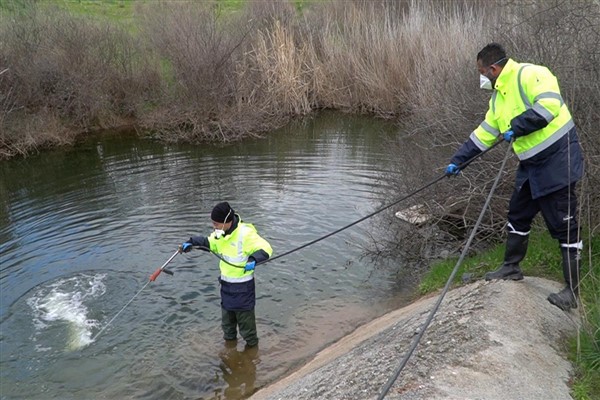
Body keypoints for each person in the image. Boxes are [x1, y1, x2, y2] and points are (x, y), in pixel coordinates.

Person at [445, 43, 583, 311]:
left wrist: (517, 126)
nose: (482, 77)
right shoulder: (498, 98)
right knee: (518, 214)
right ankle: (511, 267)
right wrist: (459, 161)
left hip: (558, 161)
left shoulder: (531, 74)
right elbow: (485, 133)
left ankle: (572, 293)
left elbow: (549, 107)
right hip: (531, 165)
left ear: (494, 68)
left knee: (564, 226)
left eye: (482, 71)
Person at [181, 202, 273, 347]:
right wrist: (192, 242)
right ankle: (230, 353)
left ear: (226, 221)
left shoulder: (245, 234)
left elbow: (266, 248)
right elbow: (210, 243)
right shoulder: (221, 235)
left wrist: (254, 259)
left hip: (243, 291)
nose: (214, 227)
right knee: (228, 329)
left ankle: (251, 359)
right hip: (226, 289)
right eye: (213, 223)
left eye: (216, 223)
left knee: (247, 331)